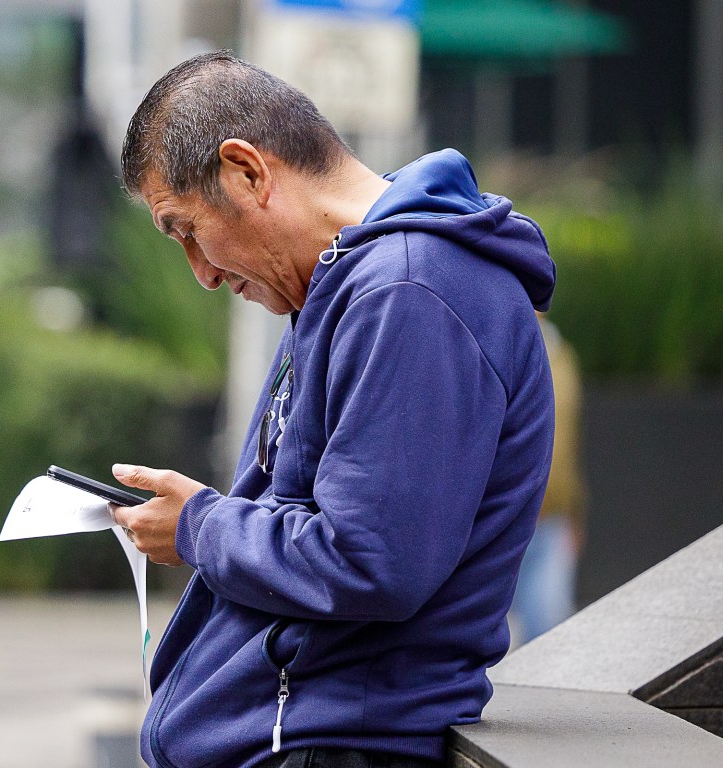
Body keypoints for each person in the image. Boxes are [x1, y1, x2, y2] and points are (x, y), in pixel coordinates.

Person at [106, 52, 556, 768]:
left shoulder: (409, 291)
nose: (202, 273)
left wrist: (199, 526)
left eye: (186, 229)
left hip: (332, 740)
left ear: (247, 172)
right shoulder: (355, 283)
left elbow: (369, 560)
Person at [511, 313, 587, 642]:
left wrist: (575, 513)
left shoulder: (562, 356)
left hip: (552, 522)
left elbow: (570, 443)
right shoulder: (498, 345)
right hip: (504, 522)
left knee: (550, 637)